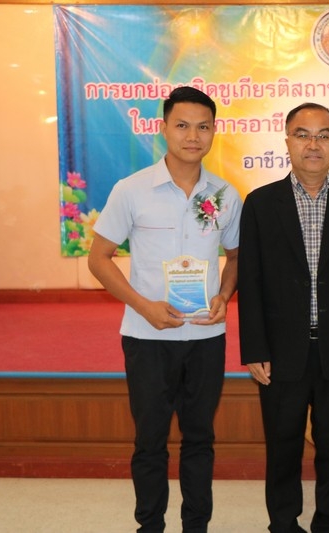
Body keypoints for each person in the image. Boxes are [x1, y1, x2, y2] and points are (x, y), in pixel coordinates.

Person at [88, 86, 242, 533]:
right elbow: (99, 258)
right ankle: (150, 525)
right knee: (150, 440)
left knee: (200, 439)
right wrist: (143, 306)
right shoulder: (132, 189)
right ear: (163, 129)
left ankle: (197, 525)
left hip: (206, 337)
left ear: (213, 131)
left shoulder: (226, 194)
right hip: (147, 336)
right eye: (182, 125)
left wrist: (224, 295)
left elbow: (236, 256)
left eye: (203, 127)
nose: (192, 136)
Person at [237, 102, 329, 533]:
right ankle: (283, 525)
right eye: (303, 134)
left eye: (324, 135)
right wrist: (254, 348)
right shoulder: (260, 203)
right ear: (287, 141)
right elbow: (250, 281)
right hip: (280, 351)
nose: (313, 144)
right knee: (282, 449)